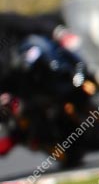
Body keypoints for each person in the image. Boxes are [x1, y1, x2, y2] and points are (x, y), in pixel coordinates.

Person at [0, 13, 70, 155]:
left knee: (39, 44)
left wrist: (57, 32)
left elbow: (32, 24)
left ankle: (72, 73)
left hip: (30, 74)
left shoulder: (4, 21)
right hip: (10, 91)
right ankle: (27, 137)